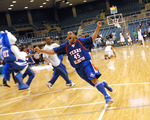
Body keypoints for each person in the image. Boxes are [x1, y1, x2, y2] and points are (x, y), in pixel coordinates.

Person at [35, 21, 113, 104]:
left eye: (70, 33)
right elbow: (52, 51)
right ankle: (104, 84)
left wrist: (98, 27)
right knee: (93, 84)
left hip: (86, 63)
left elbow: (92, 38)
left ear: (75, 35)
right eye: (67, 34)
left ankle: (106, 96)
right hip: (78, 68)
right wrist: (40, 50)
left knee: (94, 80)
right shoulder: (65, 46)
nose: (69, 35)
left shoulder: (81, 41)